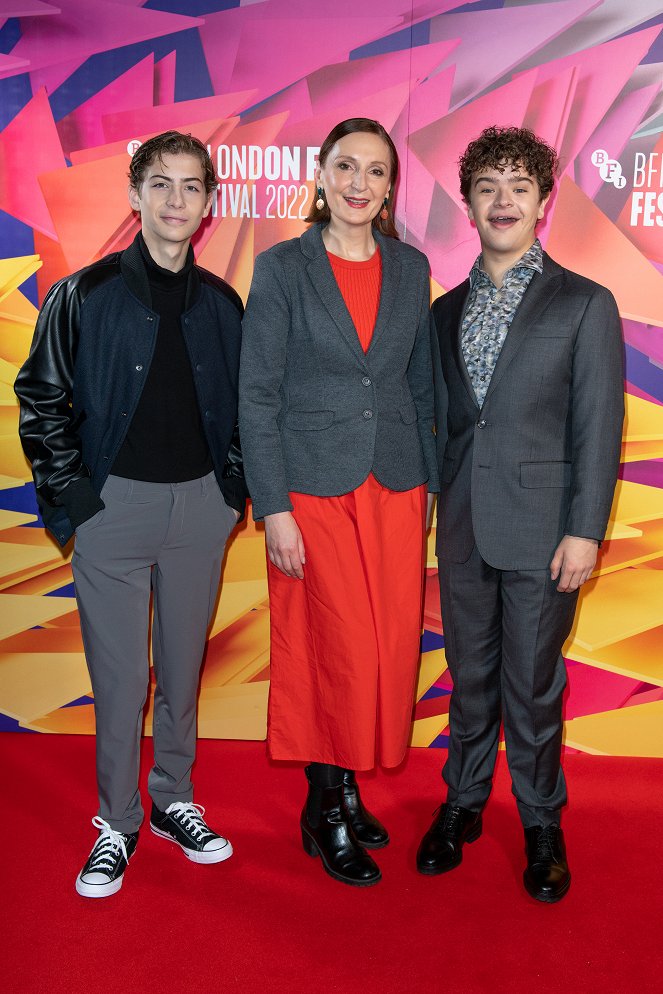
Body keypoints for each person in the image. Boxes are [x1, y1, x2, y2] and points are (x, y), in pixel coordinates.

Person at [15, 131, 246, 898]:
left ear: (208, 204)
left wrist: (229, 493)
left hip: (200, 511)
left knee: (181, 674)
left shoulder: (223, 304)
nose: (176, 201)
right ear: (135, 194)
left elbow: (248, 409)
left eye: (191, 187)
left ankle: (174, 798)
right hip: (112, 509)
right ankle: (117, 822)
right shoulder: (82, 294)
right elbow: (41, 398)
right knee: (121, 683)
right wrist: (78, 505)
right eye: (162, 185)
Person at [418, 126, 624, 902]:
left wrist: (584, 530)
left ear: (543, 201)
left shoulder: (583, 303)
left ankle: (541, 821)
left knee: (532, 687)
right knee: (468, 678)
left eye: (518, 186)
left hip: (545, 534)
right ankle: (463, 803)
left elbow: (597, 425)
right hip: (465, 527)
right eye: (486, 187)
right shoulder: (443, 312)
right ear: (467, 204)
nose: (502, 200)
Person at [239, 118, 438, 887]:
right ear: (320, 175)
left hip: (393, 483)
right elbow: (256, 395)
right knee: (334, 646)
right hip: (311, 488)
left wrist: (425, 488)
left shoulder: (411, 266)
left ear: (391, 186)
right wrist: (274, 506)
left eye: (376, 171)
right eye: (346, 167)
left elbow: (418, 385)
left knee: (382, 648)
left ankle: (346, 785)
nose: (360, 182)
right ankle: (322, 809)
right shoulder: (283, 268)